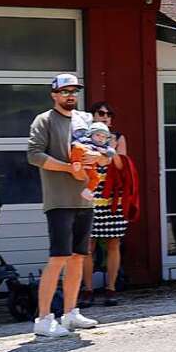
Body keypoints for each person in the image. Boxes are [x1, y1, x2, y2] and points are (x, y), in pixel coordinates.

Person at [26, 74, 105, 337]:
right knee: (58, 257)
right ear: (54, 94)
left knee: (78, 258)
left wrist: (98, 156)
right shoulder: (44, 120)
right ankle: (43, 318)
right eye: (64, 91)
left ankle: (70, 314)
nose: (70, 95)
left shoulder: (86, 119)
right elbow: (34, 155)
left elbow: (102, 152)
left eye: (74, 91)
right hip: (59, 200)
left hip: (84, 199)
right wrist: (68, 168)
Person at [81, 102, 129, 308]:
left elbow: (122, 165)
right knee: (87, 244)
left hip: (112, 196)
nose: (106, 117)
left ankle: (111, 288)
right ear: (93, 116)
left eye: (109, 114)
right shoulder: (83, 138)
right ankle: (88, 289)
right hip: (90, 194)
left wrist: (108, 153)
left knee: (113, 242)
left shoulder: (118, 138)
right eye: (101, 113)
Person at [70, 121, 114, 201]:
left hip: (91, 166)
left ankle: (88, 191)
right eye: (98, 135)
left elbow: (112, 153)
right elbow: (74, 144)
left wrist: (103, 151)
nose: (101, 138)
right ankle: (76, 162)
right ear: (90, 135)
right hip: (81, 160)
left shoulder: (103, 147)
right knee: (78, 148)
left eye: (104, 137)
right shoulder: (85, 140)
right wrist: (83, 147)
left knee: (96, 178)